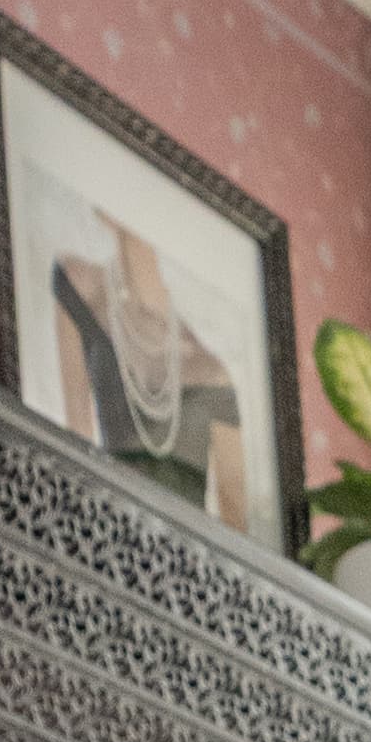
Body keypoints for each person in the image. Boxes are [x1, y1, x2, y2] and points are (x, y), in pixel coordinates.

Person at [50, 210, 251, 534]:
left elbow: (234, 512)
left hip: (184, 547)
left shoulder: (212, 370)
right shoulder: (80, 284)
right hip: (107, 527)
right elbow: (76, 435)